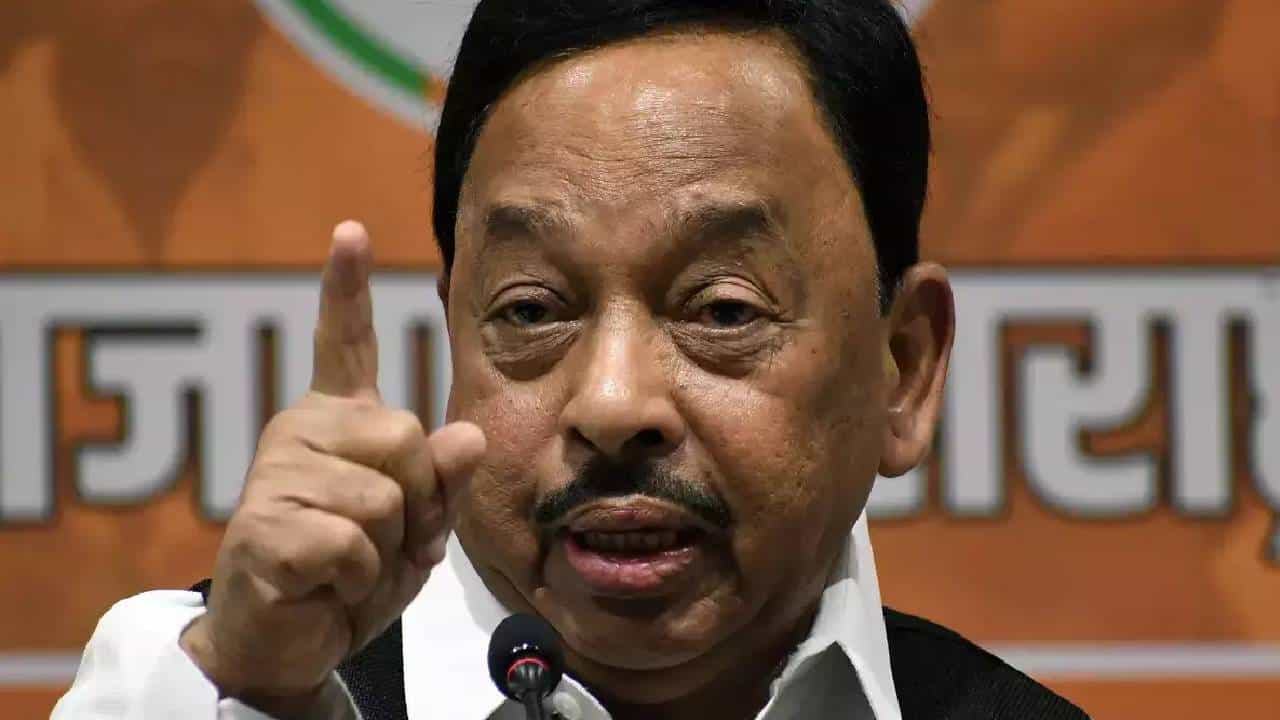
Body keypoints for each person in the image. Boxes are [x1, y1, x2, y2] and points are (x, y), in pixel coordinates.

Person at [53, 1, 1089, 718]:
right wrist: (258, 698)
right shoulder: (195, 685)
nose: (611, 402)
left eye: (722, 309)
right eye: (532, 310)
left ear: (903, 367)